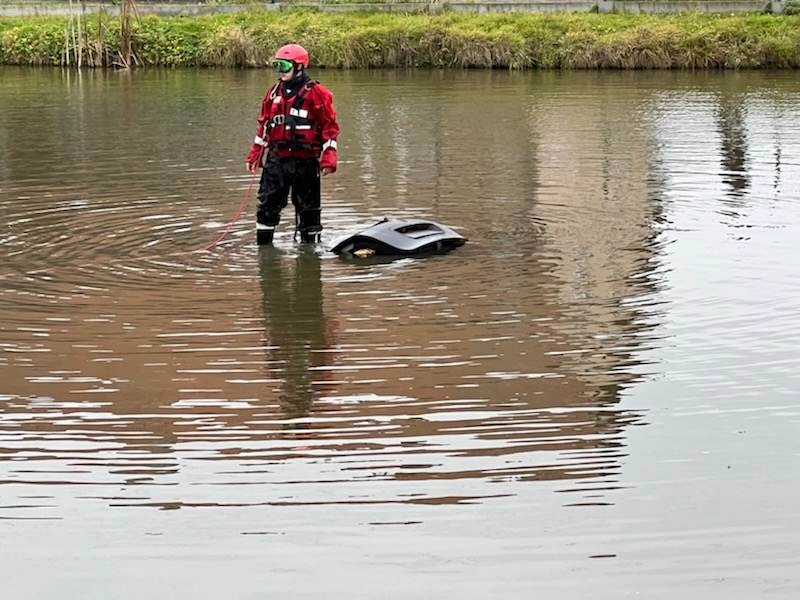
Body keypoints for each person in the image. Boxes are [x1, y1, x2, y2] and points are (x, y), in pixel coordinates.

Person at [245, 44, 340, 245]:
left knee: (309, 211)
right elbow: (264, 125)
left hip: (305, 163)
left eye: (285, 66)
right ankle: (264, 252)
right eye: (276, 65)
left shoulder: (317, 93)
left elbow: (329, 127)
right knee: (267, 207)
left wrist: (329, 157)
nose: (280, 71)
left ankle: (310, 255)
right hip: (277, 161)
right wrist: (255, 153)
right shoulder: (272, 94)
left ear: (299, 67)